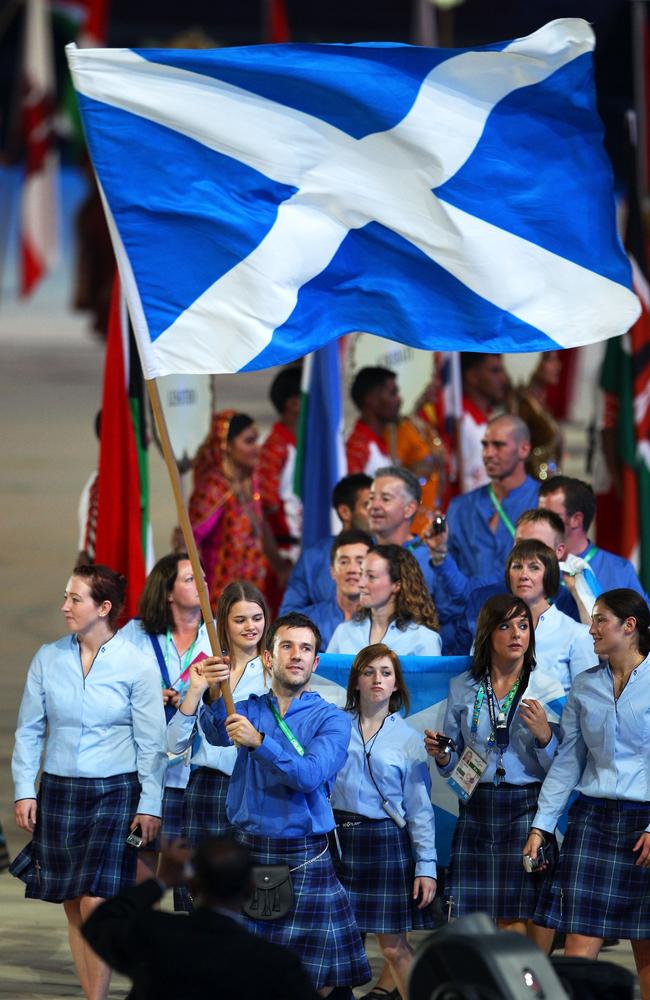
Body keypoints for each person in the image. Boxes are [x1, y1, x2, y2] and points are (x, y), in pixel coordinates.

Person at [177, 612, 371, 997]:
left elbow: (309, 775)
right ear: (269, 657)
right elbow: (216, 733)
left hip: (305, 856)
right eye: (286, 646)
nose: (296, 655)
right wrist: (212, 688)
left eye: (305, 649)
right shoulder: (247, 707)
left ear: (315, 662)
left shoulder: (332, 719)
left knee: (318, 983)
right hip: (248, 853)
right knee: (248, 976)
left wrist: (260, 743)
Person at [10, 564, 166, 1000]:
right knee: (73, 901)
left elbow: (151, 742)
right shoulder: (48, 657)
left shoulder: (135, 663)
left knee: (97, 900)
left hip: (116, 791)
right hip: (59, 789)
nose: (64, 606)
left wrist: (150, 802)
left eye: (74, 599)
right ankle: (91, 994)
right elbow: (29, 731)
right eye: (66, 597)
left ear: (104, 607)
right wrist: (25, 789)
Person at [523, 589, 650, 998]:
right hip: (591, 821)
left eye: (600, 620)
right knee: (578, 948)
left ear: (629, 627)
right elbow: (567, 761)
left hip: (642, 826)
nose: (591, 629)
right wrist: (541, 826)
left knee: (646, 952)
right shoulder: (585, 685)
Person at [425, 594, 557, 942]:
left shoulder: (544, 685)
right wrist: (442, 756)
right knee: (484, 918)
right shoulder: (464, 687)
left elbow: (561, 768)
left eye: (523, 625)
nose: (517, 633)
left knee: (530, 912)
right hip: (478, 804)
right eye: (505, 625)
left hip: (526, 804)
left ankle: (528, 990)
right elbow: (453, 761)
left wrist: (545, 736)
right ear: (488, 634)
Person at [81, 837, 320, 1000]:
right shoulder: (276, 963)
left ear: (191, 884)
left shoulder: (156, 937)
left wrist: (160, 881)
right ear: (249, 889)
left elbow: (101, 920)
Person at [331, 644, 437, 1000]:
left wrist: (426, 867)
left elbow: (420, 810)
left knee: (392, 948)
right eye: (369, 672)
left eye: (386, 673)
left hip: (384, 842)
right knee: (331, 946)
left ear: (396, 686)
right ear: (356, 682)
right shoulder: (333, 726)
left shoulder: (409, 740)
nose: (377, 679)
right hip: (336, 841)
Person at [166, 580, 268, 899]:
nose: (250, 627)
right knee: (202, 897)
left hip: (251, 791)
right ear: (222, 623)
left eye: (257, 618)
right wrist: (196, 691)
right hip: (204, 792)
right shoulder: (209, 669)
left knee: (246, 900)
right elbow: (174, 744)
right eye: (240, 620)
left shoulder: (274, 672)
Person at [119, 552, 213, 897]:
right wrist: (143, 696)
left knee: (189, 873)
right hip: (148, 772)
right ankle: (138, 939)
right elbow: (110, 690)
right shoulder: (135, 634)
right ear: (168, 592)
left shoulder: (216, 636)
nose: (202, 584)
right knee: (139, 861)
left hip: (194, 774)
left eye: (203, 578)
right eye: (191, 579)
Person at [188, 409, 275, 610]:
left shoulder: (249, 483)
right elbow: (189, 544)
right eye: (249, 441)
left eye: (257, 440)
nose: (257, 448)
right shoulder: (213, 488)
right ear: (225, 445)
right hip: (219, 600)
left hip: (251, 596)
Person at [538, 475, 649, 620]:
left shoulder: (619, 570)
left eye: (549, 516)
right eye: (538, 514)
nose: (539, 522)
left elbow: (642, 626)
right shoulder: (533, 567)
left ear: (576, 520)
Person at [506, 539, 598, 695]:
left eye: (534, 567)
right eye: (517, 566)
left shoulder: (577, 635)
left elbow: (589, 704)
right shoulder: (492, 628)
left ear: (550, 576)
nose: (523, 575)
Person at [327, 544, 441, 656]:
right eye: (361, 574)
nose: (361, 584)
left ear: (397, 585)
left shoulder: (424, 639)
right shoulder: (343, 632)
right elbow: (323, 674)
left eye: (371, 576)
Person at [280, 472, 372, 612]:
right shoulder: (312, 559)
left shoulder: (388, 554)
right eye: (367, 505)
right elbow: (288, 615)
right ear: (345, 512)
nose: (376, 511)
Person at [258, 365, 303, 563]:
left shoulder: (305, 444)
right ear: (294, 404)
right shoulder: (275, 447)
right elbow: (267, 504)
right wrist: (278, 561)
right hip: (287, 554)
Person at [301, 529, 373, 648]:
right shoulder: (306, 621)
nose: (352, 569)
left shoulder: (385, 623)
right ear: (332, 571)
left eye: (360, 562)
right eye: (344, 562)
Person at [459, 352, 508, 493]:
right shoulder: (462, 421)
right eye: (495, 371)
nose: (503, 379)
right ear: (472, 376)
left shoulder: (490, 418)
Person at [511, 351, 564, 481]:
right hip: (530, 488)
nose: (558, 366)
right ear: (531, 362)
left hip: (544, 484)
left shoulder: (540, 404)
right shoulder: (523, 406)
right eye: (549, 360)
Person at [346, 367, 400, 476]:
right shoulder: (358, 447)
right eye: (392, 393)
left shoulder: (376, 443)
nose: (398, 399)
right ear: (371, 399)